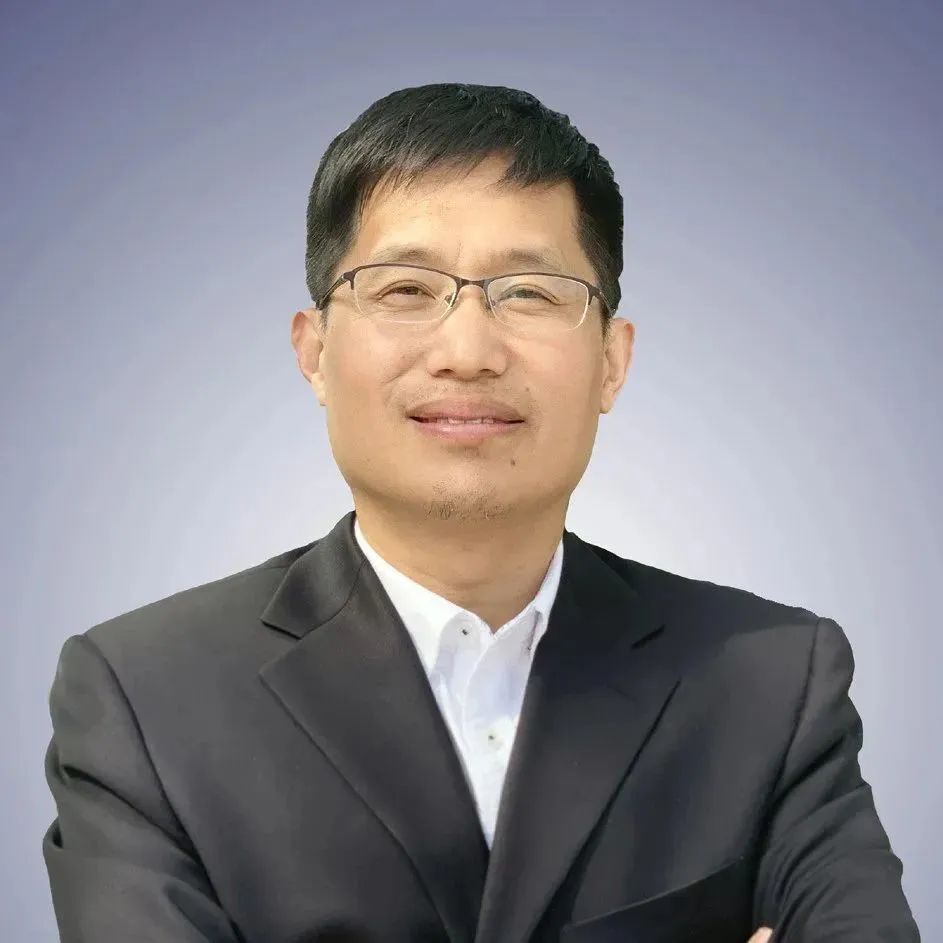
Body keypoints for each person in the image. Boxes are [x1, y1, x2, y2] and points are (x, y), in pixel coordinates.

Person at [42, 83, 920, 943]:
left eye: (529, 292)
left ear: (611, 362)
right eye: (404, 289)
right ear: (314, 353)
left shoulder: (767, 680)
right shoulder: (145, 697)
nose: (466, 351)